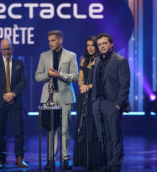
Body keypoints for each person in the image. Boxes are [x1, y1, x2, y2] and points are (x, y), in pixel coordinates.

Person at [35, 30, 78, 170]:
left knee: (65, 130)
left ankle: (66, 158)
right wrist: (48, 75)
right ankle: (51, 159)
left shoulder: (71, 55)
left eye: (53, 40)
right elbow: (37, 77)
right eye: (49, 41)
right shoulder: (43, 55)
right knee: (51, 131)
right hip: (49, 97)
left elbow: (75, 77)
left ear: (60, 40)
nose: (50, 43)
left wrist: (60, 75)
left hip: (65, 96)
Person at [92, 33, 131, 172]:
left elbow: (125, 84)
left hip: (112, 103)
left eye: (104, 43)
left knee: (114, 136)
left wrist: (118, 104)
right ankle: (108, 163)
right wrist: (93, 102)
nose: (102, 46)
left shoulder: (120, 60)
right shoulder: (96, 61)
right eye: (100, 44)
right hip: (98, 103)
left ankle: (116, 164)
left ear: (111, 44)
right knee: (103, 136)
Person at [0, 38, 28, 169]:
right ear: (0, 50)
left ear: (12, 49)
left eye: (9, 49)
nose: (7, 51)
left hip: (16, 102)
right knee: (0, 133)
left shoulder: (19, 63)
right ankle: (1, 160)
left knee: (19, 132)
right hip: (0, 102)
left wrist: (13, 94)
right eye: (4, 49)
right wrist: (5, 94)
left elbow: (23, 81)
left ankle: (19, 158)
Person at [73, 36, 103, 170]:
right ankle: (83, 159)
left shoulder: (101, 61)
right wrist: (81, 86)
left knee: (94, 128)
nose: (90, 48)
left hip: (95, 97)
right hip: (84, 98)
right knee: (82, 127)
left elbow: (102, 82)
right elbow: (80, 79)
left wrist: (88, 87)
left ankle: (95, 159)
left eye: (92, 45)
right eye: (88, 45)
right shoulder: (84, 60)